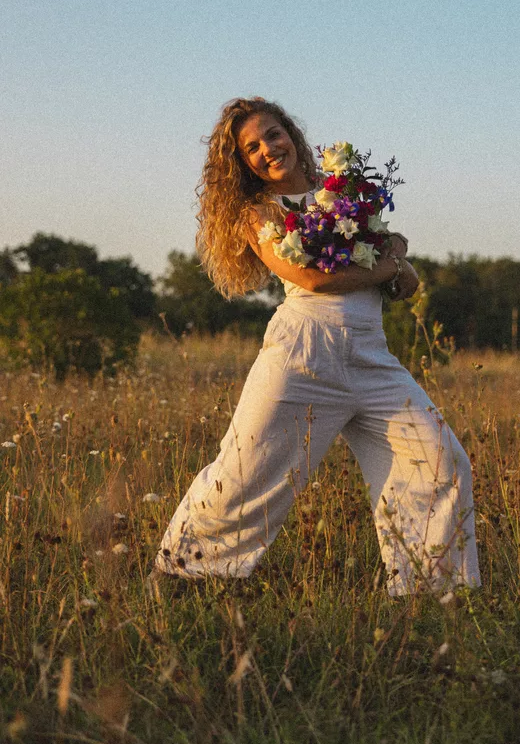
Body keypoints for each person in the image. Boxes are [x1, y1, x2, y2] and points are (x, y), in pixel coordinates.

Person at [151, 98, 480, 596]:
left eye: (273, 135)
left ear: (293, 134)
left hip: (372, 355)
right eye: (252, 148)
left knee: (438, 460)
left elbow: (406, 283)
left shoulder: (345, 194)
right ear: (241, 164)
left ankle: (430, 593)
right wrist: (391, 262)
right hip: (302, 352)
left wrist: (396, 258)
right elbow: (310, 278)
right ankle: (180, 573)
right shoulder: (257, 211)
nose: (267, 150)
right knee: (246, 470)